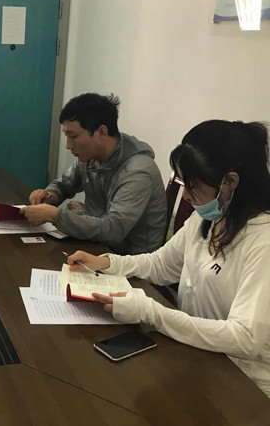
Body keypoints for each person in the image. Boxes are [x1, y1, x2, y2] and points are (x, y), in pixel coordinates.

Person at [67, 120, 270, 397]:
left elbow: (244, 338)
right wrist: (108, 263)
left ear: (230, 182)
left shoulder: (263, 241)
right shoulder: (209, 218)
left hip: (244, 384)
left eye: (192, 186)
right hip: (196, 354)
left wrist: (152, 312)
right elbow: (161, 265)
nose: (185, 196)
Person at [21, 93, 166, 255]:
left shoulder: (138, 172)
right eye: (66, 136)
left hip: (129, 260)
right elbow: (63, 185)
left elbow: (113, 230)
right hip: (95, 245)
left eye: (73, 136)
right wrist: (48, 196)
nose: (68, 145)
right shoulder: (89, 158)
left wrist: (55, 216)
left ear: (102, 132)